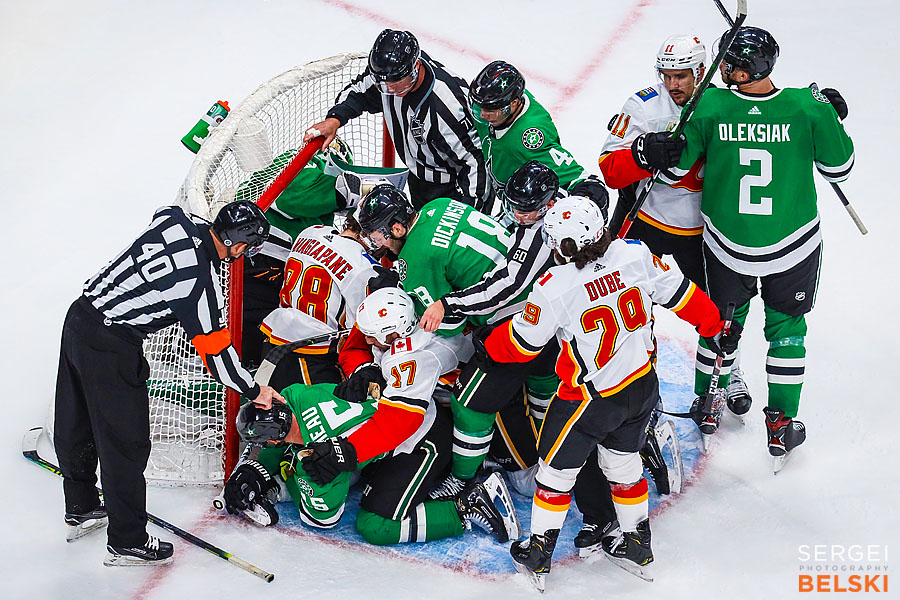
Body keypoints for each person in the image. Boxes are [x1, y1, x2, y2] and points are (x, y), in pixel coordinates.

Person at [478, 196, 740, 590]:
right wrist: (714, 326)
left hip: (589, 399)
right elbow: (682, 295)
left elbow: (522, 344)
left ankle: (538, 550)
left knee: (554, 473)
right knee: (623, 463)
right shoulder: (634, 254)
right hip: (641, 386)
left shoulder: (555, 285)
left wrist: (487, 341)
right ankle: (636, 540)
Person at [653, 27, 854, 467]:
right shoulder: (806, 105)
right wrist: (831, 119)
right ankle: (781, 424)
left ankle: (707, 404)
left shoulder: (709, 104)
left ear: (734, 67)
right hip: (794, 246)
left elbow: (673, 173)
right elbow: (841, 167)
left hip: (727, 245)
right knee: (787, 332)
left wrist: (669, 142)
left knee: (720, 324)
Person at [54, 200, 284, 566]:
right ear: (239, 246)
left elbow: (164, 212)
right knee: (125, 443)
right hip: (112, 345)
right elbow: (218, 356)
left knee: (75, 420)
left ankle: (80, 506)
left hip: (79, 316)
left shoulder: (177, 219)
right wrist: (255, 391)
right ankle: (127, 541)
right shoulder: (197, 284)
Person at [600, 34, 754, 431]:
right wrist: (642, 154)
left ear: (701, 72)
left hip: (700, 230)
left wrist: (818, 110)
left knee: (718, 308)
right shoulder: (644, 105)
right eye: (667, 76)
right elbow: (609, 169)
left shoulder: (724, 106)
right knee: (625, 302)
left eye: (683, 76)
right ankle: (636, 379)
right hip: (644, 221)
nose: (674, 85)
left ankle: (726, 371)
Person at [222, 381, 519, 545]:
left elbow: (322, 520)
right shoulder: (297, 396)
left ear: (272, 440)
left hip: (418, 439)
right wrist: (254, 469)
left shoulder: (317, 461)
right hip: (406, 419)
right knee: (344, 471)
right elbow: (285, 428)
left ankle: (468, 506)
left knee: (375, 526)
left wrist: (276, 481)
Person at [304, 29, 490, 211]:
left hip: (453, 189)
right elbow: (359, 92)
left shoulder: (446, 108)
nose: (389, 91)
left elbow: (475, 164)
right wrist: (334, 119)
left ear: (416, 67)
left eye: (395, 84)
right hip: (420, 179)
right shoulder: (390, 76)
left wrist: (466, 216)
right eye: (383, 85)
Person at [468, 61, 603, 210]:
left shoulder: (529, 140)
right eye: (479, 106)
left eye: (491, 110)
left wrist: (587, 203)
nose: (481, 114)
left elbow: (583, 182)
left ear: (514, 103)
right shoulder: (488, 102)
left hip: (519, 209)